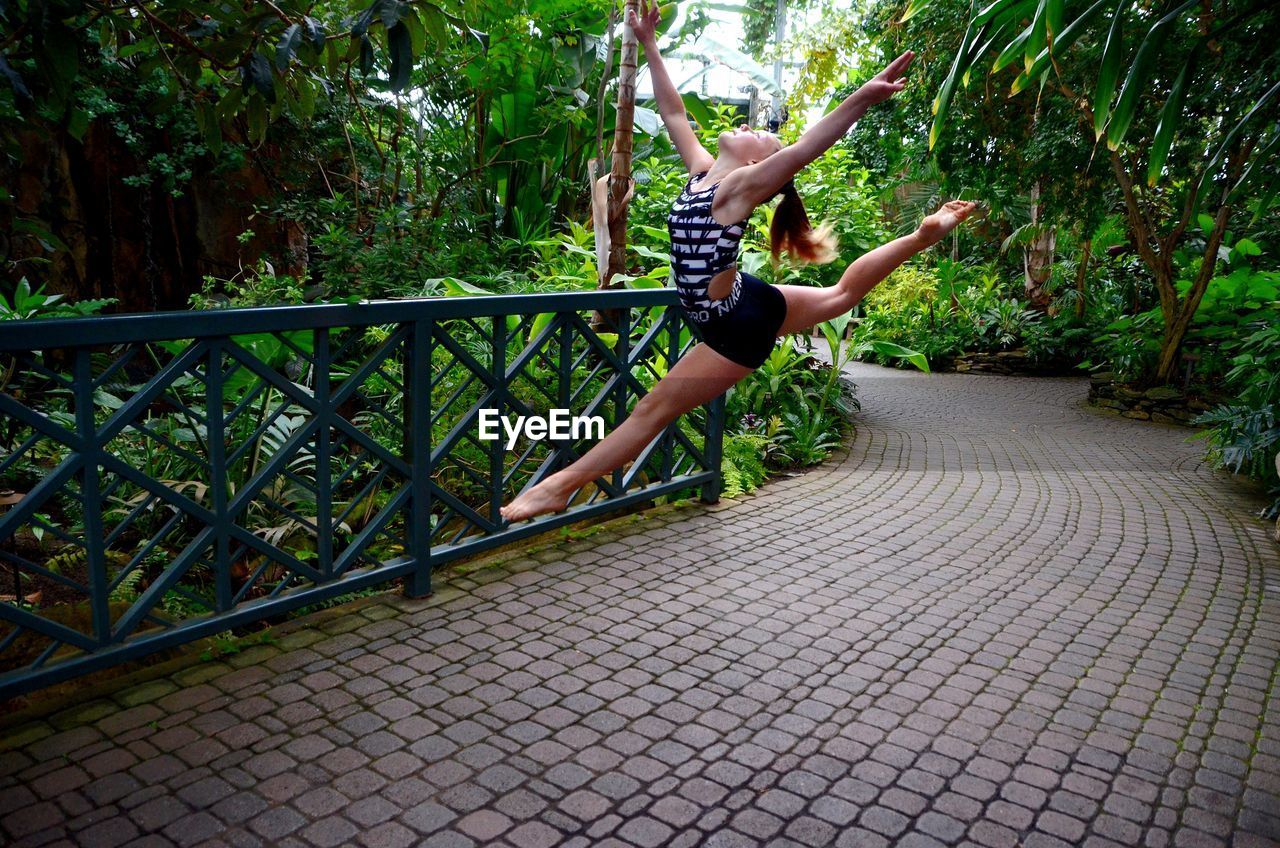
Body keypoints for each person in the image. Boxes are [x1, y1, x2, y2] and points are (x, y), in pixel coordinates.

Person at [500, 0, 976, 523]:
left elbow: (806, 149)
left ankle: (561, 486)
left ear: (758, 164)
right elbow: (674, 112)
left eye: (761, 137)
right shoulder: (704, 172)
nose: (752, 127)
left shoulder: (738, 189)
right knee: (841, 294)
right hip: (746, 299)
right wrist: (651, 43)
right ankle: (922, 234)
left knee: (652, 410)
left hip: (733, 327)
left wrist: (861, 97)